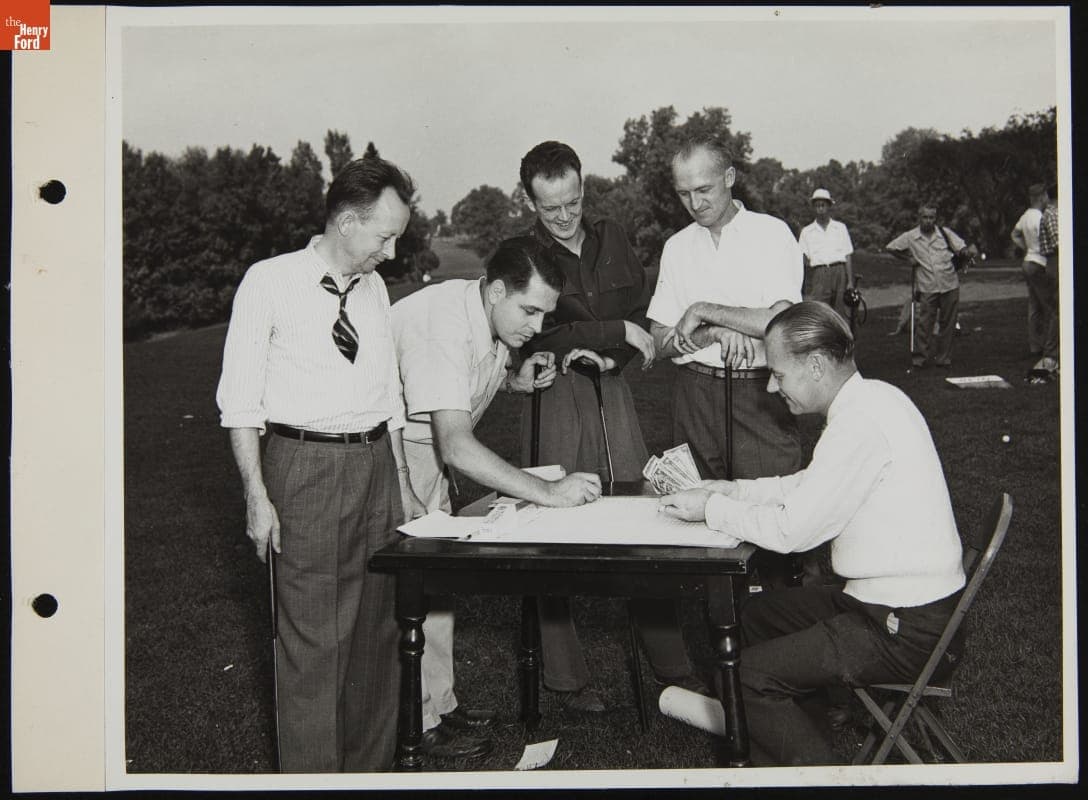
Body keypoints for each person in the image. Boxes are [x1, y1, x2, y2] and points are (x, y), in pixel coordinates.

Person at [658, 302, 966, 766]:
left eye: (778, 373)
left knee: (747, 676)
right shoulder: (873, 400)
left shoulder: (859, 423)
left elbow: (792, 532)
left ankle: (817, 775)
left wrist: (713, 509)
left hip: (905, 628)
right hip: (892, 604)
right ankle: (802, 733)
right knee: (758, 617)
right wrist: (736, 488)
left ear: (816, 366)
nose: (770, 384)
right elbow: (809, 485)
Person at [216, 157, 420, 772]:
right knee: (312, 645)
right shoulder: (269, 282)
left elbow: (390, 396)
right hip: (302, 469)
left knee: (374, 639)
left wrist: (404, 486)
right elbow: (240, 403)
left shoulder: (376, 287)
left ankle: (369, 777)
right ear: (347, 222)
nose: (391, 251)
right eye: (384, 236)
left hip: (376, 469)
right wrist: (257, 495)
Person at [391, 236, 604, 757]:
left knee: (435, 587)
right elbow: (457, 444)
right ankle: (414, 724)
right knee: (406, 595)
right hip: (392, 455)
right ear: (495, 291)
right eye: (529, 310)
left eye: (544, 315)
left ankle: (438, 706)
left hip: (426, 452)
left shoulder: (482, 313)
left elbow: (461, 386)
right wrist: (549, 492)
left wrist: (513, 382)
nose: (536, 328)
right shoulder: (443, 322)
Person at [515, 141, 704, 712]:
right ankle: (567, 679)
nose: (566, 216)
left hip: (613, 391)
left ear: (582, 189)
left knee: (643, 520)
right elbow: (534, 334)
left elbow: (642, 320)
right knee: (551, 533)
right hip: (554, 397)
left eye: (572, 202)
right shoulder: (521, 253)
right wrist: (609, 332)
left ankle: (672, 663)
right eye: (552, 209)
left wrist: (615, 350)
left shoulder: (613, 236)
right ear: (530, 201)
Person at [885, 205, 974, 368]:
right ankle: (920, 359)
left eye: (931, 217)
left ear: (935, 218)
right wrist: (908, 259)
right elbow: (891, 247)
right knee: (924, 324)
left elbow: (961, 247)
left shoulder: (944, 233)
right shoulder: (910, 236)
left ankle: (943, 358)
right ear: (919, 218)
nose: (928, 221)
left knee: (948, 323)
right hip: (927, 285)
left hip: (949, 283)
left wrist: (967, 253)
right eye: (925, 217)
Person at [797, 188, 855, 319]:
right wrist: (801, 283)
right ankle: (823, 339)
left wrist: (850, 281)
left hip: (839, 271)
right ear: (813, 208)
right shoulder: (807, 231)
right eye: (817, 206)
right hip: (820, 274)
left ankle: (842, 339)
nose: (820, 209)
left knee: (841, 312)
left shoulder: (840, 228)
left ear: (829, 206)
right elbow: (801, 259)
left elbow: (848, 254)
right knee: (820, 312)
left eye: (823, 205)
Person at [1009, 183, 1049, 358]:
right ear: (1041, 197)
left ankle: (1035, 346)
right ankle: (1049, 345)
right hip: (1039, 262)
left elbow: (1014, 234)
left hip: (1028, 261)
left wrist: (1025, 247)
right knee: (1048, 305)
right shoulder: (1041, 217)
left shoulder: (1025, 216)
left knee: (1034, 305)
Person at [1030, 184, 1060, 379]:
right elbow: (1059, 242)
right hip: (1056, 262)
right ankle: (1051, 354)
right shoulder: (1052, 214)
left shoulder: (1050, 214)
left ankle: (1053, 353)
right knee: (1058, 309)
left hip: (1052, 262)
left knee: (1057, 309)